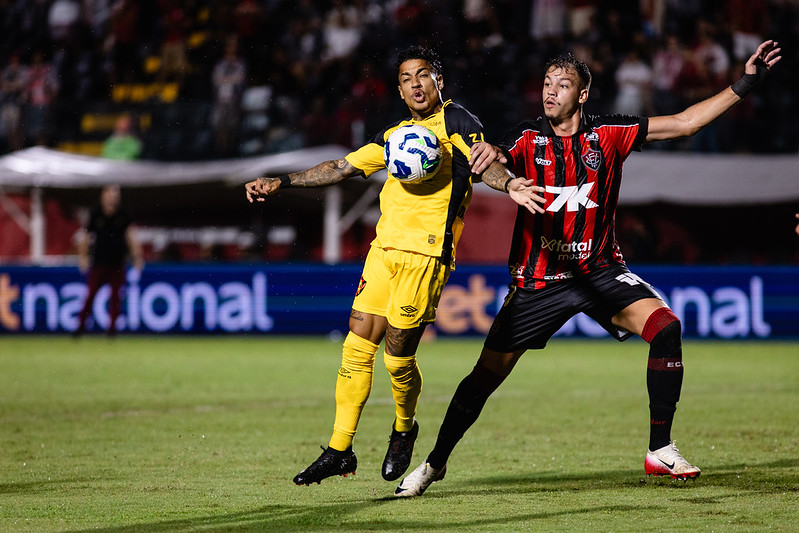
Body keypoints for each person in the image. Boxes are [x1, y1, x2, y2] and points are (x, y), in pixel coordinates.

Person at [394, 39, 782, 497]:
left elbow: (683, 124)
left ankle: (660, 448)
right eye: (546, 83)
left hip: (599, 272)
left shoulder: (609, 134)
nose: (550, 92)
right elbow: (496, 160)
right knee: (483, 378)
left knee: (666, 326)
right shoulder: (526, 138)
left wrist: (746, 83)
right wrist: (491, 161)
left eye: (563, 84)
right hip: (538, 283)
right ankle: (434, 464)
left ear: (582, 95)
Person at [245, 46, 539, 486]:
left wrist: (510, 182)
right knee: (356, 343)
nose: (416, 84)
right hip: (383, 251)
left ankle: (404, 428)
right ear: (400, 90)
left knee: (397, 357)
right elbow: (342, 166)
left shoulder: (458, 122)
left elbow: (485, 164)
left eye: (424, 75)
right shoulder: (395, 135)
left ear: (439, 80)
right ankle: (339, 450)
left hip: (426, 255)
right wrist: (281, 181)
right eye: (406, 78)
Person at [75, 184, 144, 337]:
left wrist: (137, 257)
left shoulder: (124, 213)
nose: (113, 197)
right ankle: (80, 327)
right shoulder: (96, 213)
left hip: (117, 264)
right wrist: (83, 257)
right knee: (90, 295)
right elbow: (85, 237)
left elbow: (131, 236)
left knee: (115, 298)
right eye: (110, 194)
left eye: (116, 194)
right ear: (103, 195)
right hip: (99, 263)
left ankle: (112, 330)